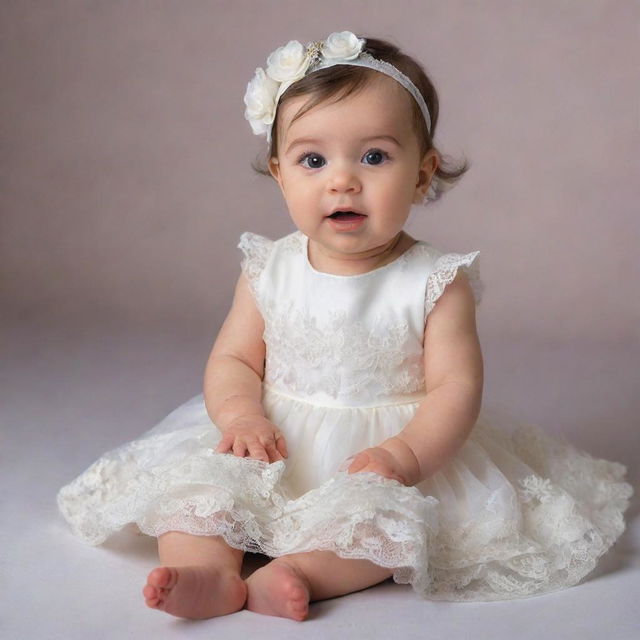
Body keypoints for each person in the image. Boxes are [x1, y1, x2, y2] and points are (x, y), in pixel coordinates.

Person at [57, 30, 633, 622]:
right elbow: (234, 360)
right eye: (313, 160)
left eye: (374, 157)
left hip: (385, 451)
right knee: (196, 496)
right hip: (269, 439)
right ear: (281, 175)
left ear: (422, 174)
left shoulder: (435, 281)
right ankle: (208, 572)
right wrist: (241, 417)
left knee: (379, 529)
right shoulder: (269, 268)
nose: (342, 180)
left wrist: (405, 457)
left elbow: (456, 389)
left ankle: (296, 574)